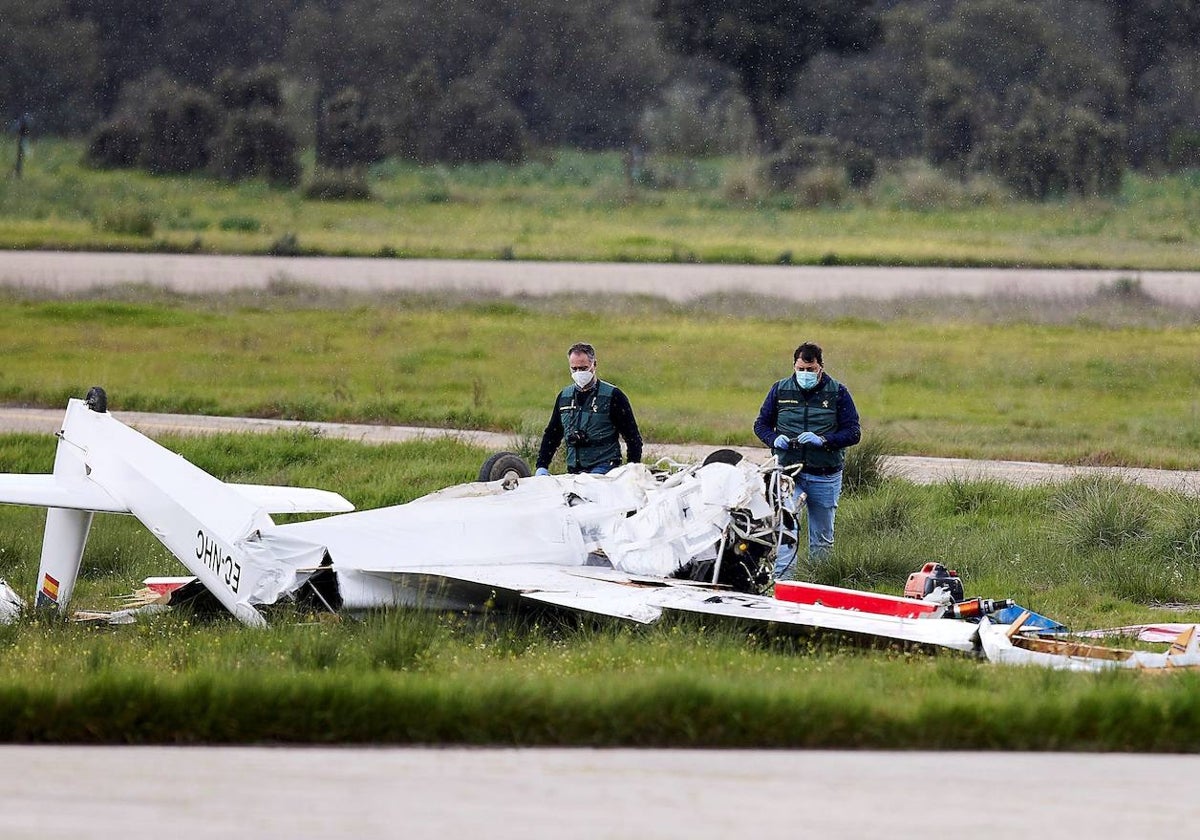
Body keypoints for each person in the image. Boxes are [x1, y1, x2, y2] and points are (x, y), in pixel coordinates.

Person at [754, 341, 861, 580]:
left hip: (825, 474)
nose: (805, 374)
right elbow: (760, 424)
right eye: (800, 369)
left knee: (822, 538)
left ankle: (818, 585)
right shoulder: (780, 390)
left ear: (820, 367)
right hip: (788, 475)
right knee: (786, 532)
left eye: (810, 370)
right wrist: (774, 439)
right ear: (794, 366)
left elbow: (853, 433)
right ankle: (782, 585)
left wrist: (823, 440)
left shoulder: (837, 392)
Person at [535, 342, 642, 475]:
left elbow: (632, 437)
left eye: (583, 368)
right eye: (574, 369)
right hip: (575, 468)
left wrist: (632, 470)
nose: (579, 373)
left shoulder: (613, 396)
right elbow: (552, 434)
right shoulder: (564, 397)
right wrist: (542, 465)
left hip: (605, 466)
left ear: (594, 365)